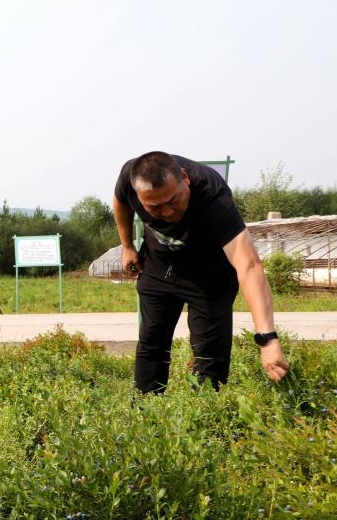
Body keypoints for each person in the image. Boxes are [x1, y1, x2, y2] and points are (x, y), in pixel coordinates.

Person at [113, 151, 290, 393]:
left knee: (210, 353)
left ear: (185, 178)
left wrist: (267, 339)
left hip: (211, 275)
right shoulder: (129, 176)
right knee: (151, 343)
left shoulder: (212, 194)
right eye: (155, 207)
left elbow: (249, 265)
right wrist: (127, 246)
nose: (167, 212)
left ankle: (206, 411)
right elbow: (120, 201)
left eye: (173, 200)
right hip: (159, 266)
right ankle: (145, 408)